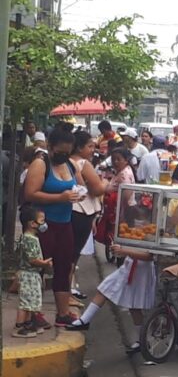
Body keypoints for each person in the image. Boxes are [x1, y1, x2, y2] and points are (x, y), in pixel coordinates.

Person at [23, 126, 86, 326]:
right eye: (59, 151)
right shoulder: (41, 164)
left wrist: (78, 194)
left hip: (65, 223)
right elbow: (30, 194)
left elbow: (80, 185)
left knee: (63, 267)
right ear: (50, 147)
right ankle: (33, 314)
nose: (63, 156)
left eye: (67, 152)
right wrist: (60, 197)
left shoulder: (70, 165)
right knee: (39, 268)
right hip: (44, 224)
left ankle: (63, 313)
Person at [66, 243, 155, 353]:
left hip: (141, 272)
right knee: (105, 288)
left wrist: (124, 251)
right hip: (128, 265)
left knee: (134, 307)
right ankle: (85, 320)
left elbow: (149, 256)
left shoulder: (153, 236)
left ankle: (143, 340)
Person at [70, 131, 106, 303]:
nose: (93, 150)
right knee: (73, 252)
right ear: (79, 147)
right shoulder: (83, 164)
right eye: (90, 146)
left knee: (68, 251)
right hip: (81, 211)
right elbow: (97, 189)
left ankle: (69, 285)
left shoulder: (65, 163)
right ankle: (68, 288)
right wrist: (106, 183)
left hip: (70, 210)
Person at [13, 206, 53, 338]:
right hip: (28, 274)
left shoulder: (32, 237)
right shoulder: (29, 239)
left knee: (31, 302)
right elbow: (32, 259)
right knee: (25, 303)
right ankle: (19, 326)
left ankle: (28, 323)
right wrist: (45, 263)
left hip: (33, 274)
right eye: (42, 220)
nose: (44, 224)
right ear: (32, 223)